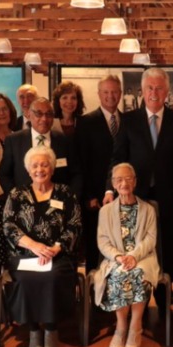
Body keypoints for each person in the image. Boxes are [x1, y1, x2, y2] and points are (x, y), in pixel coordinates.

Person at [108, 68, 173, 303]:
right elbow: (118, 158)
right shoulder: (129, 120)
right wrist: (111, 189)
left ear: (167, 92)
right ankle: (139, 299)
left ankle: (168, 294)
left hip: (170, 196)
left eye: (159, 88)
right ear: (143, 91)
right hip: (136, 196)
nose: (154, 92)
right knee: (139, 246)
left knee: (169, 246)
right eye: (150, 88)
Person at [2, 146, 82, 347]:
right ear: (28, 170)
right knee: (26, 278)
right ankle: (34, 331)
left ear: (52, 168)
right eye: (35, 165)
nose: (40, 169)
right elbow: (8, 225)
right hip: (25, 254)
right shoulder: (16, 194)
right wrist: (33, 246)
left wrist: (56, 247)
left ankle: (51, 329)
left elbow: (75, 224)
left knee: (53, 276)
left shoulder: (65, 193)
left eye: (44, 164)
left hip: (58, 254)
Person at [94, 163, 160, 347]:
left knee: (137, 273)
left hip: (143, 257)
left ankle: (135, 327)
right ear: (113, 184)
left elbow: (150, 239)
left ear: (135, 181)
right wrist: (118, 257)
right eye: (119, 180)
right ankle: (121, 327)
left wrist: (133, 256)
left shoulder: (148, 209)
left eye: (128, 178)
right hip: (115, 259)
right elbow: (103, 241)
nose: (124, 183)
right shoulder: (105, 212)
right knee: (118, 275)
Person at [76, 75, 122, 270]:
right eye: (106, 92)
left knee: (118, 244)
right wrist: (89, 195)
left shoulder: (128, 120)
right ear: (99, 94)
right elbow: (81, 162)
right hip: (95, 198)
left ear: (120, 94)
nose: (110, 96)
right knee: (95, 247)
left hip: (122, 194)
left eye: (114, 92)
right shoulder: (86, 122)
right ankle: (93, 295)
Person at [0, 96, 82, 200]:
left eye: (49, 114)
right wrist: (16, 197)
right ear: (29, 114)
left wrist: (70, 197)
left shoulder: (65, 141)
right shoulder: (14, 140)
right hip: (24, 202)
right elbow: (4, 175)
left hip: (59, 202)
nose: (44, 119)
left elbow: (76, 174)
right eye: (38, 114)